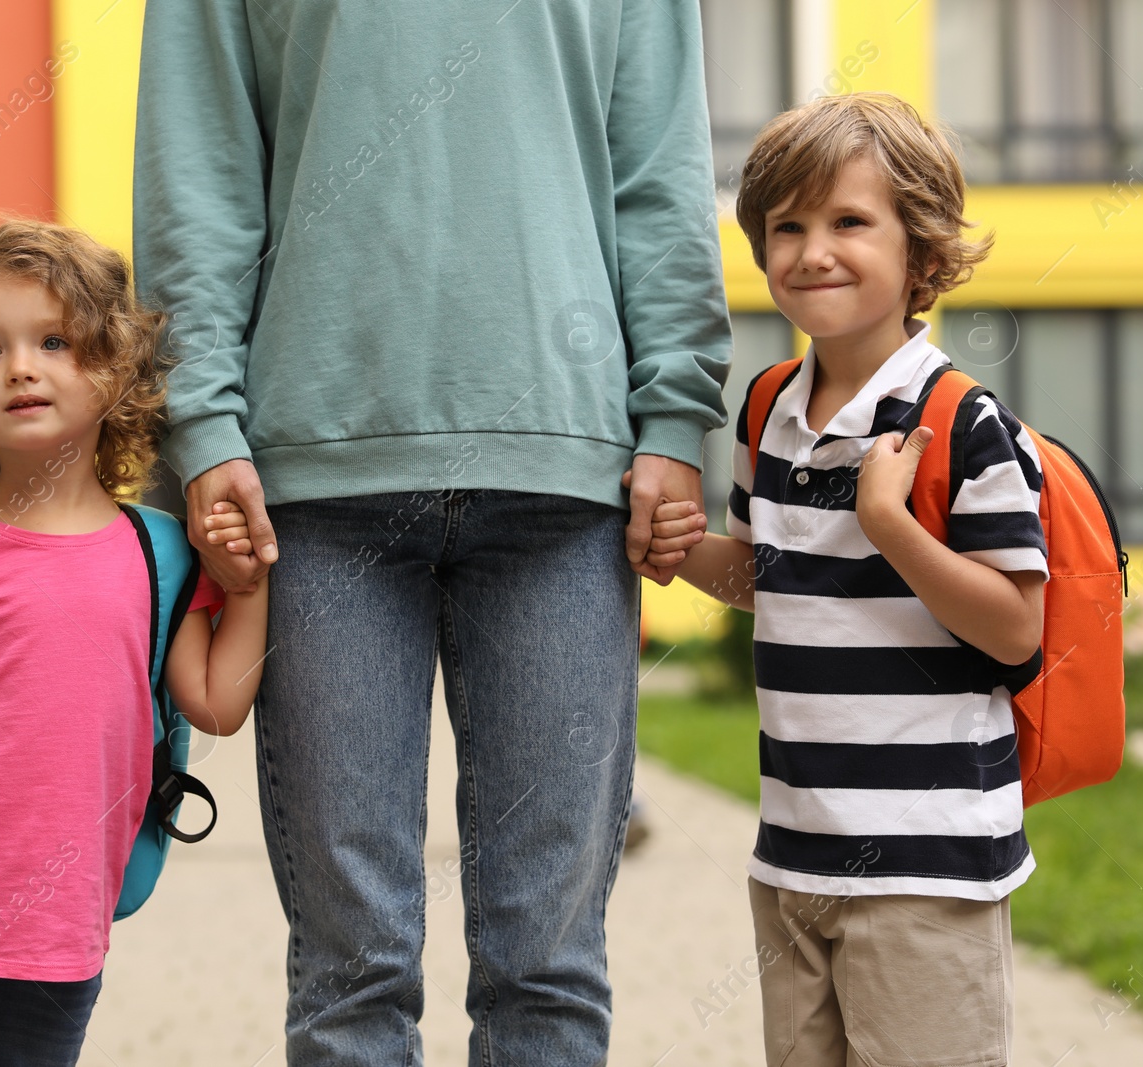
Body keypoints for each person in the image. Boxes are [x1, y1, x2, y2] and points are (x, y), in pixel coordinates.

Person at [134, 3, 731, 1063]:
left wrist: (673, 415)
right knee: (349, 970)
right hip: (312, 487)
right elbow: (201, 177)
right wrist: (203, 423)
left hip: (564, 470)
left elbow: (659, 174)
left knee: (545, 969)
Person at [650, 93, 1046, 1067]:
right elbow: (764, 578)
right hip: (793, 850)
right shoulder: (767, 406)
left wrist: (889, 525)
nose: (811, 249)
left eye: (847, 221)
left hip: (928, 866)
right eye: (787, 225)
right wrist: (675, 547)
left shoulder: (961, 420)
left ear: (920, 253)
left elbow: (1013, 629)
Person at [0, 218, 269, 1066]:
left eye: (56, 341)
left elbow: (216, 704)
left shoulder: (163, 552)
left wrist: (247, 588)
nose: (21, 367)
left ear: (113, 372)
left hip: (59, 924)